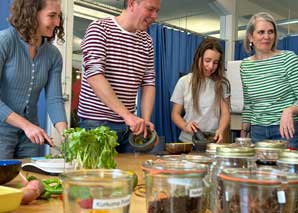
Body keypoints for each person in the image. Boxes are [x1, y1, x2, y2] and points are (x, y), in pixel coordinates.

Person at [78, 0, 160, 152]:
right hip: (96, 124)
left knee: (130, 173)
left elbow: (149, 82)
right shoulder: (99, 29)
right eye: (150, 9)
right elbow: (94, 76)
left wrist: (146, 120)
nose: (154, 16)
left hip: (129, 127)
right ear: (131, 4)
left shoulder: (147, 41)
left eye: (157, 11)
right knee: (97, 176)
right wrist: (127, 115)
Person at [0, 0, 68, 159]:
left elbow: (54, 99)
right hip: (2, 130)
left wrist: (67, 136)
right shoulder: (5, 42)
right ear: (31, 14)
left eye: (59, 16)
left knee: (32, 180)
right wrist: (26, 126)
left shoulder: (53, 55)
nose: (57, 22)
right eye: (52, 16)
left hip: (31, 137)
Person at [240, 12, 298, 149]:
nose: (266, 37)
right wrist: (243, 133)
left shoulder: (288, 59)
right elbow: (249, 103)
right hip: (257, 132)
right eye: (261, 32)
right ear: (250, 36)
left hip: (285, 131)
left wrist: (289, 110)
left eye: (270, 32)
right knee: (259, 170)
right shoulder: (245, 66)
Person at [171, 38, 231, 143]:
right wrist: (185, 126)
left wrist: (220, 130)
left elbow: (225, 113)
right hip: (188, 141)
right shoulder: (184, 82)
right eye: (207, 61)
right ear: (198, 58)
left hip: (212, 141)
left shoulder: (221, 84)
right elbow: (175, 114)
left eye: (215, 63)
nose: (211, 66)